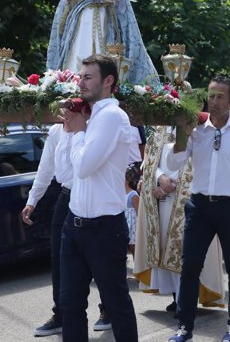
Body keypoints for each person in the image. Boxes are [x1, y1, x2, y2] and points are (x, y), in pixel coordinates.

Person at [167, 75, 230, 342]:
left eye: (220, 97)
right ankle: (184, 326)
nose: (213, 102)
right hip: (199, 206)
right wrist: (182, 131)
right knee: (189, 267)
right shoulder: (196, 129)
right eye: (211, 96)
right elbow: (174, 163)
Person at [60, 54, 138, 341]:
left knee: (116, 303)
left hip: (104, 227)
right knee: (70, 304)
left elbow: (83, 166)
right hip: (75, 223)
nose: (81, 82)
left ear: (108, 81)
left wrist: (78, 133)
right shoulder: (90, 118)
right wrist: (70, 134)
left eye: (88, 76)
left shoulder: (112, 116)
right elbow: (65, 173)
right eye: (81, 76)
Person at [22, 122, 110, 336]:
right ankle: (60, 314)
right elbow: (46, 167)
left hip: (93, 196)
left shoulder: (96, 125)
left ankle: (109, 310)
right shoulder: (55, 131)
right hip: (67, 195)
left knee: (100, 259)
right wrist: (32, 200)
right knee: (59, 258)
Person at [133, 126, 225, 312]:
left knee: (184, 249)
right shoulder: (158, 132)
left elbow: (193, 162)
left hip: (185, 198)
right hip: (161, 198)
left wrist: (170, 183)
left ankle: (187, 299)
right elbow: (150, 161)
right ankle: (177, 297)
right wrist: (160, 179)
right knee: (166, 247)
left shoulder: (197, 131)